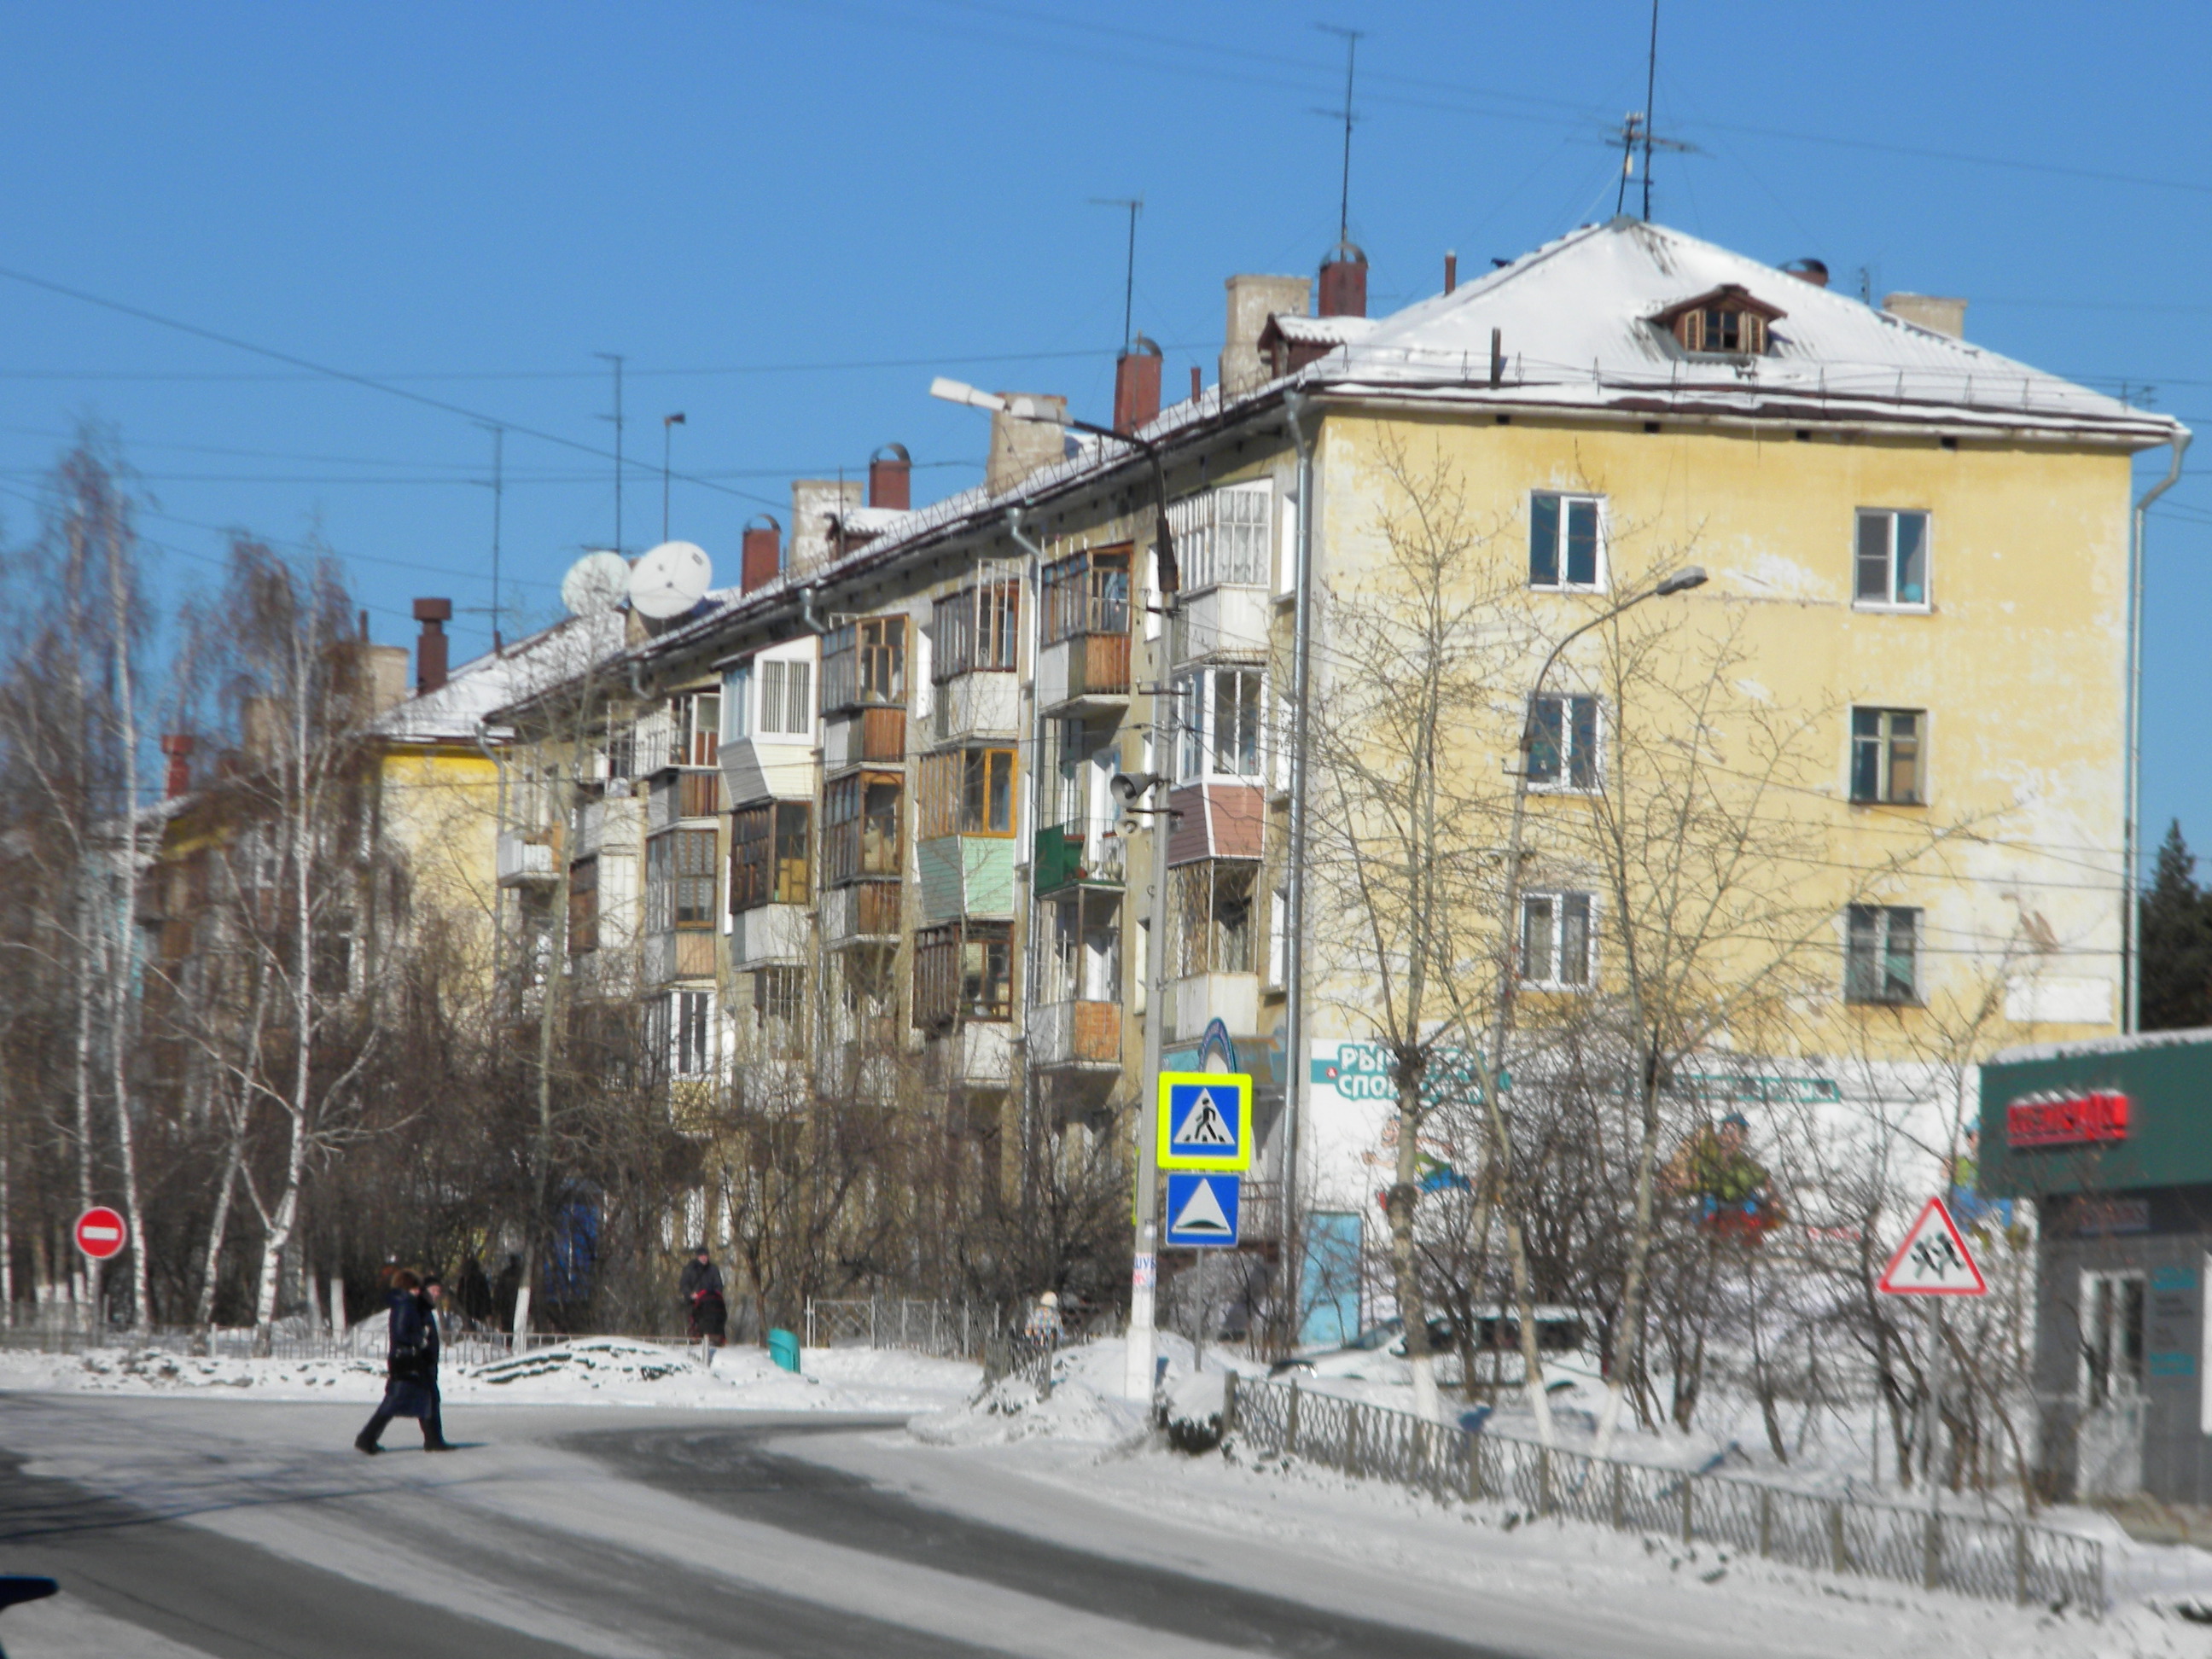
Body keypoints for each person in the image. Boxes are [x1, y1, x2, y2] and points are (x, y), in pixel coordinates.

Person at [355, 1270, 452, 1454]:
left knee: (427, 1398)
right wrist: (420, 1338)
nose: (418, 1290)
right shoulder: (406, 1304)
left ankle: (433, 1440)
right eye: (415, 1287)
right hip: (408, 1360)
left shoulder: (409, 1303)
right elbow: (402, 1332)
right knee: (395, 1401)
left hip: (413, 1359)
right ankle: (366, 1438)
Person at [680, 1245, 727, 1353]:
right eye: (701, 1256)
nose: (704, 1258)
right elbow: (684, 1285)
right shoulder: (689, 1269)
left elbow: (718, 1284)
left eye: (706, 1256)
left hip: (710, 1299)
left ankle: (716, 1336)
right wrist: (691, 1294)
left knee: (717, 1311)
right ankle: (696, 1336)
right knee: (695, 1313)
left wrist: (715, 1294)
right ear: (697, 1257)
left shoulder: (713, 1269)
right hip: (695, 1299)